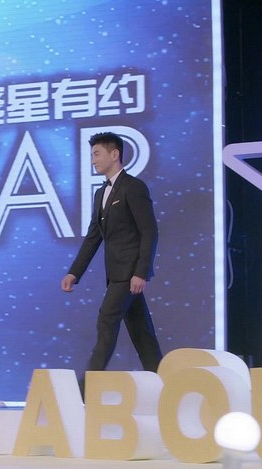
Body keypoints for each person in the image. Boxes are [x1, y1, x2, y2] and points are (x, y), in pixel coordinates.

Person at [60, 131, 163, 382]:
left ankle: (86, 387)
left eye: (97, 154)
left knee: (106, 321)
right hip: (116, 274)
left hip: (129, 274)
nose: (93, 160)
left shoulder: (133, 187)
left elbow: (149, 231)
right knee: (142, 334)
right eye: (92, 155)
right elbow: (93, 237)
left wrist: (141, 272)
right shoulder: (100, 194)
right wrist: (74, 272)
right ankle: (164, 382)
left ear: (114, 154)